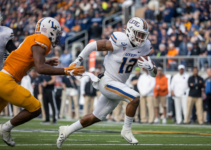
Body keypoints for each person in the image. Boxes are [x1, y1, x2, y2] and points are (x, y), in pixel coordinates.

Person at [57, 17, 157, 147]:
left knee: (96, 117)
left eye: (143, 35)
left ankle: (67, 130)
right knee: (135, 98)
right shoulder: (120, 40)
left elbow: (153, 74)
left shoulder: (144, 47)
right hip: (107, 81)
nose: (141, 38)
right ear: (131, 31)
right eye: (139, 34)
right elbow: (93, 45)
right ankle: (126, 130)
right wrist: (78, 60)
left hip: (119, 85)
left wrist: (151, 68)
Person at [0, 17, 85, 147]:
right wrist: (66, 70)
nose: (57, 36)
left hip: (3, 77)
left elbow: (24, 60)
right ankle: (5, 128)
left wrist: (44, 62)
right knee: (36, 108)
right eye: (56, 32)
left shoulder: (33, 38)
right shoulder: (42, 39)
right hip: (7, 81)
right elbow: (40, 69)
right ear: (50, 30)